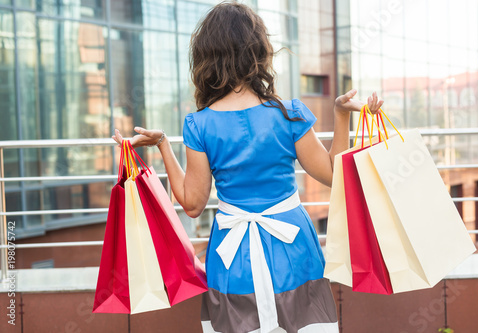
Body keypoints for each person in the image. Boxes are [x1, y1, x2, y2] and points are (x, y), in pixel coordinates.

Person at [112, 2, 383, 332]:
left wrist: (163, 146)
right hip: (294, 246)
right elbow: (334, 174)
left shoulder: (199, 125)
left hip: (231, 254)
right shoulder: (289, 113)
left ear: (206, 57)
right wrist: (341, 115)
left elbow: (193, 204)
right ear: (258, 52)